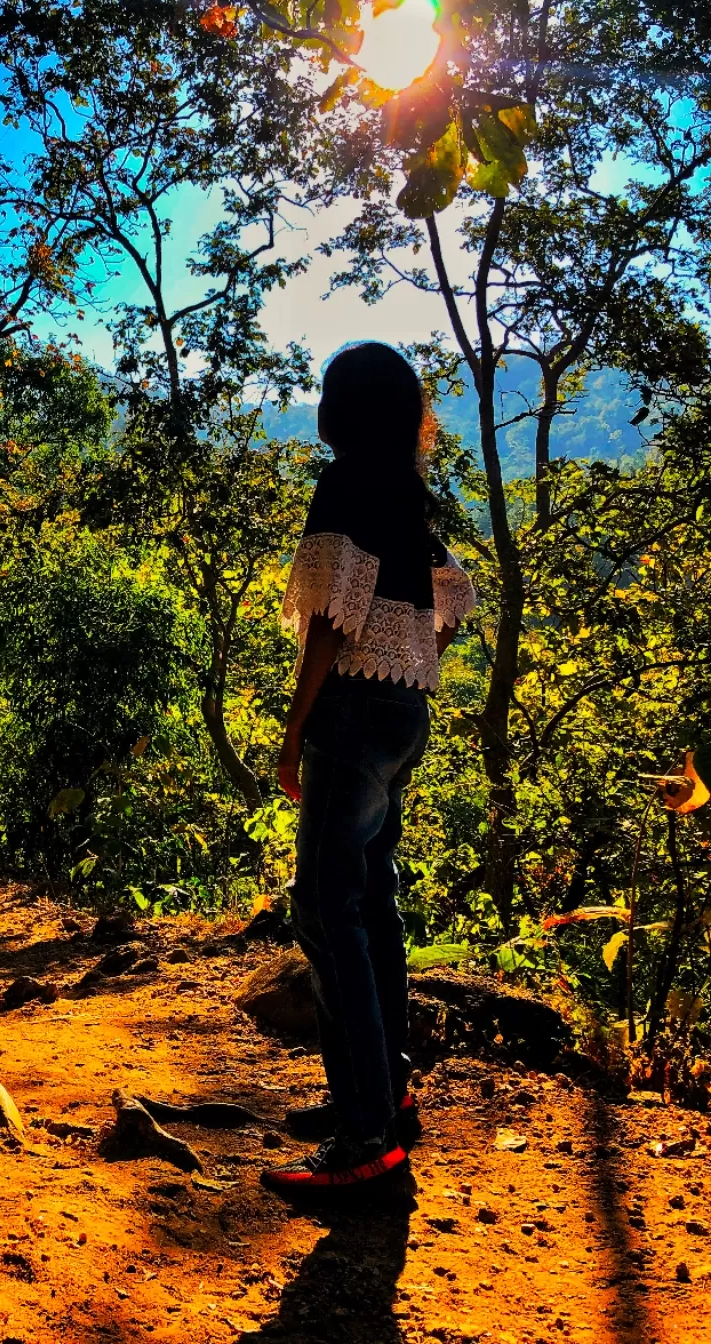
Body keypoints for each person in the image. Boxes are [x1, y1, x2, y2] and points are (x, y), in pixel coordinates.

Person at [260, 342, 475, 1194]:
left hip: (352, 712)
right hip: (404, 712)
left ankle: (366, 1137)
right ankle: (387, 1095)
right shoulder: (413, 493)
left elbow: (330, 624)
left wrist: (292, 731)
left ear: (339, 408)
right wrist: (412, 660)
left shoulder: (344, 481)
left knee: (322, 908)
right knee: (370, 901)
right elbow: (452, 598)